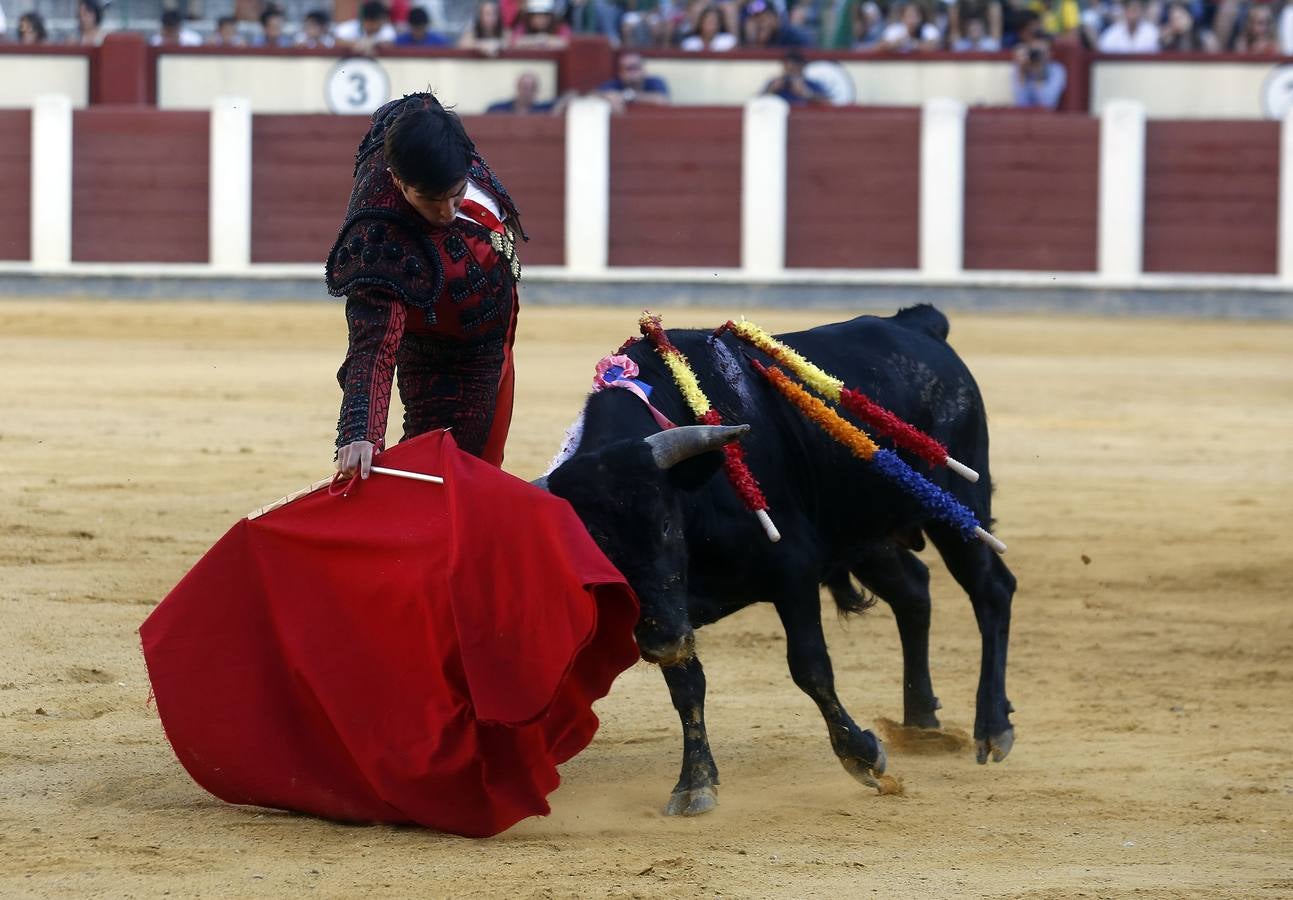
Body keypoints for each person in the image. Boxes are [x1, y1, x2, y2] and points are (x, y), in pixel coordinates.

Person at [328, 93, 527, 478]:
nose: (445, 212)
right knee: (448, 473)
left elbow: (412, 109)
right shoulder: (381, 239)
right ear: (399, 181)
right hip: (447, 358)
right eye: (429, 200)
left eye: (454, 195)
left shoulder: (423, 125)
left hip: (494, 331)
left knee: (482, 466)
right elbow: (373, 342)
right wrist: (360, 430)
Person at [598, 52, 670, 111]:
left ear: (643, 70)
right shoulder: (614, 84)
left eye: (635, 67)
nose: (632, 73)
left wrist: (630, 96)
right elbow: (593, 95)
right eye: (628, 69)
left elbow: (663, 100)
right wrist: (607, 96)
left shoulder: (655, 82)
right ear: (620, 73)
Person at [1011, 33, 1066, 108]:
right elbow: (1020, 102)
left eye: (1041, 52)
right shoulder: (1021, 67)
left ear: (1050, 53)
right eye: (1034, 51)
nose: (1037, 56)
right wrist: (1021, 72)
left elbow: (1047, 103)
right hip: (1022, 116)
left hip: (1046, 118)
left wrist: (1039, 72)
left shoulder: (1056, 70)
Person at [761, 50, 831, 104]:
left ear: (802, 68)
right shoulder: (775, 83)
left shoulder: (811, 85)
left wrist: (807, 93)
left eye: (794, 68)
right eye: (787, 68)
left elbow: (829, 103)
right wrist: (771, 90)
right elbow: (757, 102)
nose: (790, 72)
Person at [487, 71, 564, 113]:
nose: (526, 92)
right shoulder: (498, 108)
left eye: (531, 88)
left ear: (536, 90)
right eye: (524, 87)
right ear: (517, 87)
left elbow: (568, 98)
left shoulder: (543, 109)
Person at [878, 1, 942, 50]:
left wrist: (914, 44)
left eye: (915, 16)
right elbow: (879, 46)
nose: (912, 20)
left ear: (920, 17)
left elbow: (935, 45)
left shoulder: (928, 28)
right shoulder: (894, 29)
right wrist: (894, 44)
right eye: (909, 16)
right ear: (902, 17)